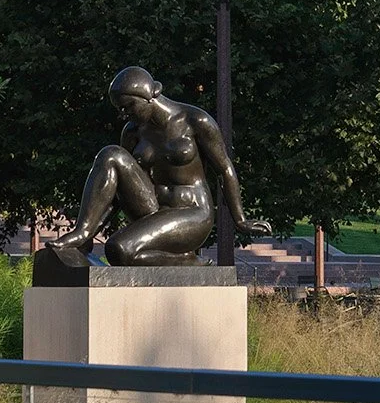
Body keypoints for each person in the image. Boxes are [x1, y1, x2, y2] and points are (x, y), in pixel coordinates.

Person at [53, 67, 258, 265]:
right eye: (120, 109)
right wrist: (91, 232)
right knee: (111, 154)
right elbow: (116, 191)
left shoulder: (195, 120)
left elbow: (224, 169)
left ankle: (186, 260)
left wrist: (240, 220)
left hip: (192, 212)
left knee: (118, 250)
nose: (124, 114)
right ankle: (82, 231)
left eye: (128, 106)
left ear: (150, 95)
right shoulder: (133, 132)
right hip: (152, 208)